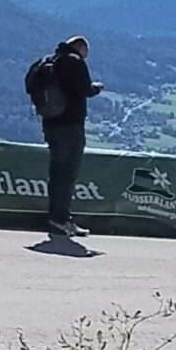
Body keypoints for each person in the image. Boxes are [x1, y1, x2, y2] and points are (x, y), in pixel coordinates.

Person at [36, 36, 103, 239]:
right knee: (68, 173)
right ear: (82, 49)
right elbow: (84, 89)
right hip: (70, 125)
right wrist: (96, 88)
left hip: (51, 124)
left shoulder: (49, 61)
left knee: (56, 172)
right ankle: (62, 219)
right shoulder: (74, 62)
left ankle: (55, 216)